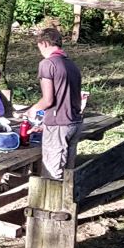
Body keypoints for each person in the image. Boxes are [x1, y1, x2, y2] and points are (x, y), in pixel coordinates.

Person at [28, 26, 84, 180]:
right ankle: (66, 201)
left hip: (59, 123)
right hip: (75, 122)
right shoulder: (71, 65)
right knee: (68, 169)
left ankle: (48, 204)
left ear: (44, 43)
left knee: (53, 171)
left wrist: (33, 109)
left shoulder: (47, 64)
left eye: (38, 45)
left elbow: (48, 100)